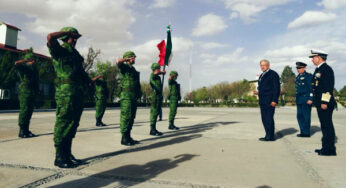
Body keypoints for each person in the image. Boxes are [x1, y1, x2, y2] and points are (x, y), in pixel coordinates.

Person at [47, 26, 91, 168]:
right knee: (63, 123)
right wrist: (66, 33)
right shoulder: (60, 50)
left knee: (72, 124)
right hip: (65, 93)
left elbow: (81, 72)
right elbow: (50, 37)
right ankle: (59, 157)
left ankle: (67, 153)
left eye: (76, 38)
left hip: (77, 93)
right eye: (74, 37)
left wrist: (89, 81)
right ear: (67, 38)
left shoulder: (75, 54)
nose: (76, 40)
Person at [310, 50, 337, 156]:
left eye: (313, 57)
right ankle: (325, 147)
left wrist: (324, 101)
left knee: (327, 125)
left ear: (319, 57)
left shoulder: (326, 69)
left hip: (325, 103)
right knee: (324, 126)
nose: (312, 60)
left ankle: (330, 150)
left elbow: (327, 88)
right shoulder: (319, 69)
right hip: (320, 102)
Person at [117, 51, 141, 146]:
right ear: (128, 58)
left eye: (134, 57)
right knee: (126, 116)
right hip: (126, 96)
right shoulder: (124, 67)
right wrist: (126, 59)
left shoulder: (133, 69)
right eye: (132, 57)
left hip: (133, 96)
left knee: (131, 117)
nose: (134, 59)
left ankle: (128, 136)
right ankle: (124, 138)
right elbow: (118, 62)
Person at [14, 49, 39, 138]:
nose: (34, 62)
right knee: (24, 110)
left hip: (31, 92)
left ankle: (26, 130)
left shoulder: (34, 70)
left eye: (34, 60)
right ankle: (22, 131)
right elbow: (16, 63)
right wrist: (25, 61)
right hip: (25, 91)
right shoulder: (25, 67)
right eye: (32, 60)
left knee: (29, 111)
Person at [256, 59, 280, 141]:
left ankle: (270, 136)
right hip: (262, 101)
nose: (262, 67)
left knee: (269, 118)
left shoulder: (273, 74)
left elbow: (276, 88)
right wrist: (258, 92)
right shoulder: (262, 75)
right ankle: (267, 134)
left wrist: (274, 100)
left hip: (270, 101)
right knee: (264, 119)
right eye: (261, 65)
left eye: (264, 65)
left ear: (268, 65)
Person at [295, 62, 313, 137]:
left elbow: (311, 88)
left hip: (306, 99)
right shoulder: (298, 77)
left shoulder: (308, 76)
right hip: (299, 99)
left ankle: (306, 132)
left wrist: (311, 98)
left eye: (299, 68)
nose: (298, 69)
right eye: (297, 68)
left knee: (306, 116)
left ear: (304, 68)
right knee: (299, 116)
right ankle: (302, 131)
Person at [149, 63, 166, 136]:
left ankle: (154, 129)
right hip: (154, 97)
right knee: (154, 113)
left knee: (156, 113)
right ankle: (152, 130)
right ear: (155, 69)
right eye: (158, 68)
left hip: (158, 96)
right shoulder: (152, 75)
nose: (159, 69)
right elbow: (156, 73)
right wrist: (162, 72)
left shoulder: (158, 77)